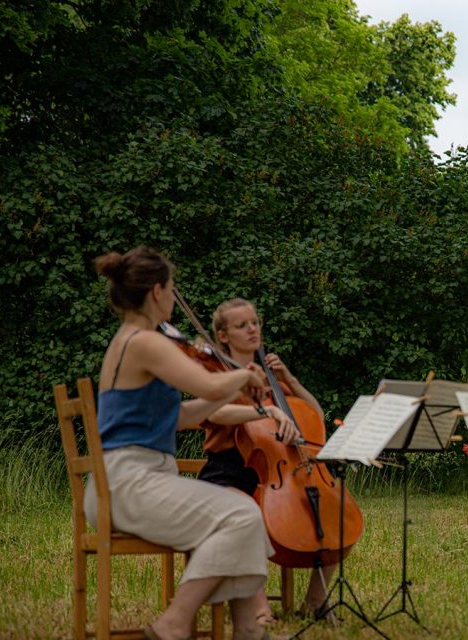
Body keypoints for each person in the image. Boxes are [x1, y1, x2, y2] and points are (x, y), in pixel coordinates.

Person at [87, 246, 275, 640]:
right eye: (172, 288)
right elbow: (208, 385)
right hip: (129, 484)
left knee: (240, 514)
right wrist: (243, 376)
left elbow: (184, 416)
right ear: (157, 292)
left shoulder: (134, 341)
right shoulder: (144, 341)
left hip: (130, 480)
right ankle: (174, 622)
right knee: (242, 516)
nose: (174, 297)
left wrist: (232, 389)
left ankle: (247, 628)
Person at [198, 297, 335, 619]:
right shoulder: (216, 373)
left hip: (279, 472)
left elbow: (315, 415)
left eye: (255, 322)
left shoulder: (271, 378)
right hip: (228, 474)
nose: (252, 329)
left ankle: (315, 603)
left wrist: (290, 380)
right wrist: (264, 410)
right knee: (246, 514)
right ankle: (259, 610)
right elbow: (215, 412)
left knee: (332, 513)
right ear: (223, 336)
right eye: (242, 325)